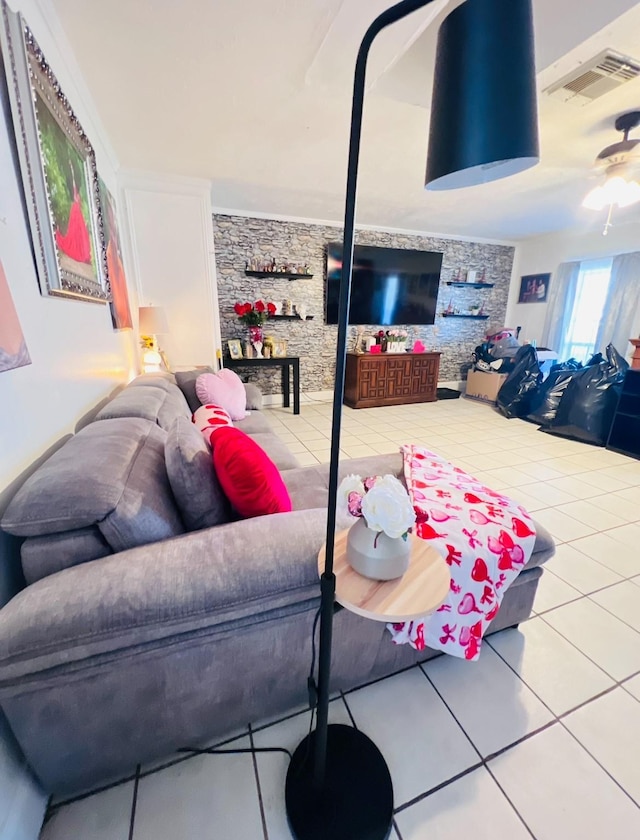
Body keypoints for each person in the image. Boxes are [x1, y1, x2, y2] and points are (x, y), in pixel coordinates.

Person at [54, 167, 91, 264]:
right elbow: (74, 184)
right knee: (74, 231)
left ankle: (81, 252)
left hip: (77, 211)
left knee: (78, 232)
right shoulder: (73, 191)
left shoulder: (78, 193)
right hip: (75, 210)